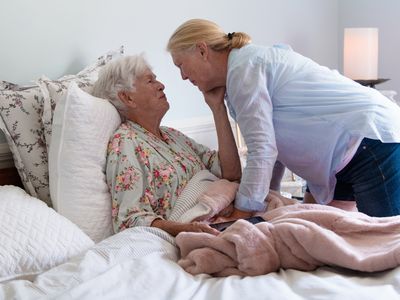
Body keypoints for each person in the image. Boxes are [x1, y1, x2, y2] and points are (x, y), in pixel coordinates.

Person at [166, 18, 400, 218]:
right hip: (342, 159)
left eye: (181, 66)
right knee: (331, 239)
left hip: (367, 142)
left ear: (202, 50)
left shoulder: (244, 70)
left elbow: (263, 150)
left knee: (384, 243)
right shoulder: (241, 74)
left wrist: (243, 214)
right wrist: (269, 201)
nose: (184, 76)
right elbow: (275, 147)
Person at [92, 55, 241, 236]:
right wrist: (187, 229)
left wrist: (217, 108)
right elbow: (130, 219)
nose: (161, 85)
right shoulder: (125, 143)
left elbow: (231, 172)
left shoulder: (173, 136)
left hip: (228, 217)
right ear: (127, 97)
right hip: (202, 229)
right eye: (150, 81)